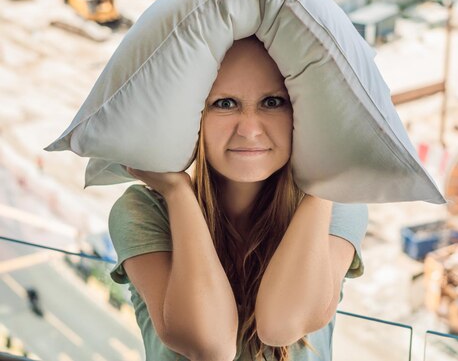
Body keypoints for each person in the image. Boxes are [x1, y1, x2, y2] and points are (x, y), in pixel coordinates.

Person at [108, 36, 369, 361]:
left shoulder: (335, 204)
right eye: (225, 103)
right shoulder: (144, 210)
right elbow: (211, 346)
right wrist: (178, 194)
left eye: (272, 102)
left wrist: (321, 184)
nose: (249, 129)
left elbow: (281, 326)